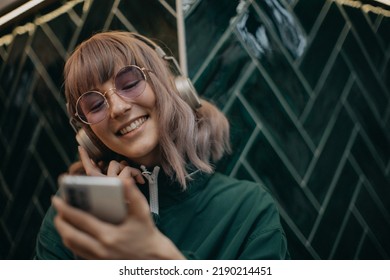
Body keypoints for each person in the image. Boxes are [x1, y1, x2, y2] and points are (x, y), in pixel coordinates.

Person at [34, 31, 290, 260]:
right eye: (95, 105)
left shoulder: (250, 210)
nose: (118, 108)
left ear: (170, 85)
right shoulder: (76, 207)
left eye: (130, 83)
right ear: (87, 133)